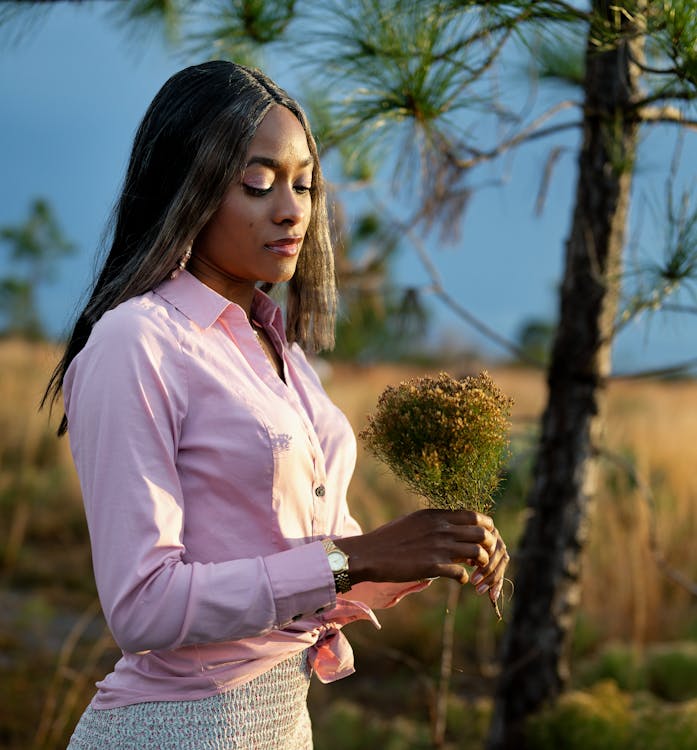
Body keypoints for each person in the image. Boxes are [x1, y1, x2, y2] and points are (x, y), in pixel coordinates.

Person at [43, 61, 509, 749]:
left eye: (305, 185)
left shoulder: (281, 356)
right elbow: (141, 606)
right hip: (174, 730)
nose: (291, 208)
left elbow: (307, 563)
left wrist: (429, 547)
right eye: (257, 183)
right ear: (187, 185)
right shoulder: (135, 341)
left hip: (283, 722)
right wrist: (355, 557)